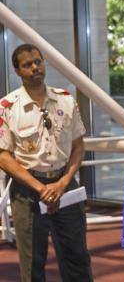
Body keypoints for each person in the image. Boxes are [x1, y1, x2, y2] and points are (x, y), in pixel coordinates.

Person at [0, 44, 93, 282]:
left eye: (38, 62)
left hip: (65, 187)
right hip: (28, 191)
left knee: (77, 257)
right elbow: (3, 156)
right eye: (27, 65)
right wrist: (41, 189)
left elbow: (78, 147)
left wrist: (61, 183)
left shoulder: (65, 100)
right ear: (17, 70)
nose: (35, 68)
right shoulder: (7, 107)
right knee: (33, 263)